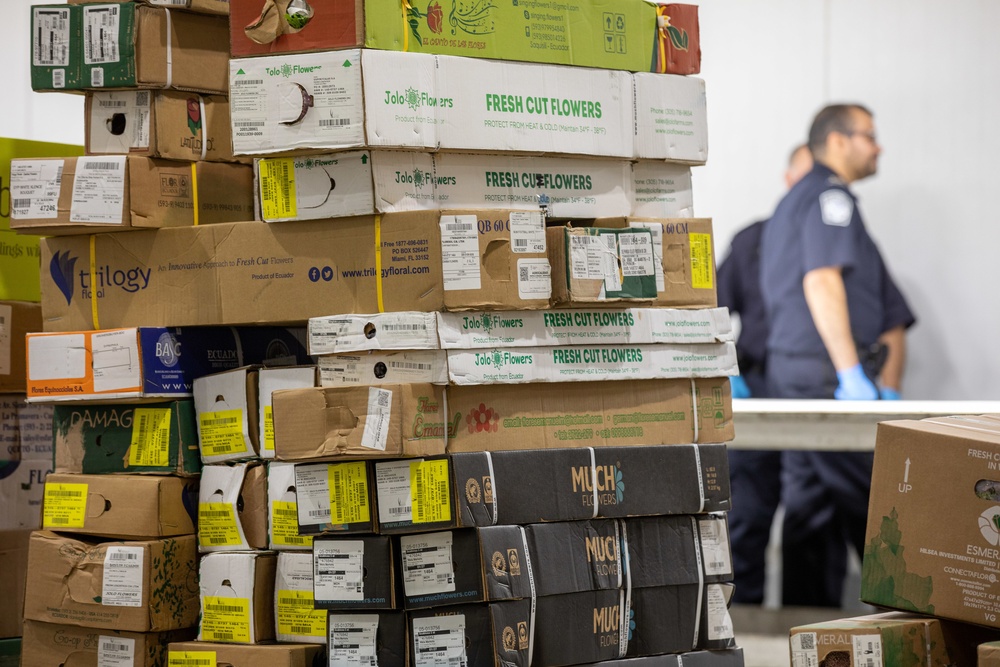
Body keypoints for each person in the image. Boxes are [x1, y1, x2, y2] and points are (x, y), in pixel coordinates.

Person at [759, 104, 916, 607]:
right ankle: (914, 626)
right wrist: (851, 372)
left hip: (795, 374)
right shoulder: (831, 198)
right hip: (826, 377)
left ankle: (808, 634)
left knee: (811, 508)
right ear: (839, 141)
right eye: (869, 135)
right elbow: (821, 280)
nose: (878, 146)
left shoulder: (794, 201)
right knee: (880, 517)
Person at [716, 144, 812, 605]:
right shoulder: (754, 239)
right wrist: (726, 372)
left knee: (815, 523)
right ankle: (740, 624)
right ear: (788, 180)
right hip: (757, 390)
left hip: (818, 401)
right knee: (747, 518)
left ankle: (817, 627)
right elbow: (707, 309)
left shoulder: (840, 241)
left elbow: (888, 319)